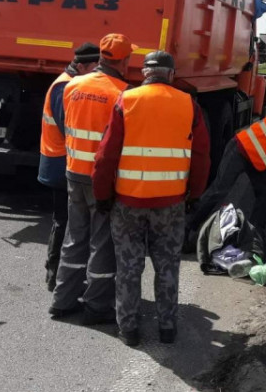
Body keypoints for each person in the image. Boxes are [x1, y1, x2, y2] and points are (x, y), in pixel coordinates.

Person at [92, 50, 210, 346]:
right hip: (170, 204)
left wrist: (102, 195)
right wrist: (194, 194)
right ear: (171, 74)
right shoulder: (189, 104)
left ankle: (129, 329)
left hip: (128, 203)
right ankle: (167, 328)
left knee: (129, 268)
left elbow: (106, 155)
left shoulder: (127, 100)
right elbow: (202, 156)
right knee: (167, 266)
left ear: (144, 72)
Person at [49, 34, 135, 323]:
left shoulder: (72, 86)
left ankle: (62, 300)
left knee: (74, 238)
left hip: (73, 172)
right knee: (102, 242)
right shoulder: (123, 93)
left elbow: (64, 127)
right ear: (125, 61)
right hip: (102, 179)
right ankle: (97, 306)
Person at [38, 42, 100, 291]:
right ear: (82, 65)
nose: (98, 73)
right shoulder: (66, 86)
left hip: (62, 161)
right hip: (61, 162)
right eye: (95, 67)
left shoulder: (69, 82)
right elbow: (72, 130)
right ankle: (56, 276)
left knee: (67, 221)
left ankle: (61, 276)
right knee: (64, 221)